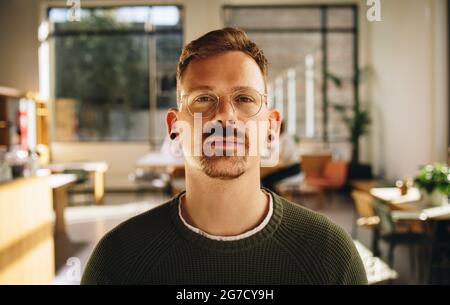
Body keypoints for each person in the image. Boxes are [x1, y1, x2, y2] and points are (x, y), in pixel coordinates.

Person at [81, 27, 367, 285]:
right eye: (203, 99)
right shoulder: (117, 261)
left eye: (244, 99)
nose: (224, 116)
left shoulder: (332, 256)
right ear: (174, 127)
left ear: (271, 127)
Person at [261, 120, 301, 192]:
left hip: (292, 169)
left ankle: (275, 199)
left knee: (266, 180)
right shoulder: (281, 138)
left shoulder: (286, 139)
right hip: (287, 168)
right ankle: (274, 197)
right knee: (266, 179)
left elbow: (283, 159)